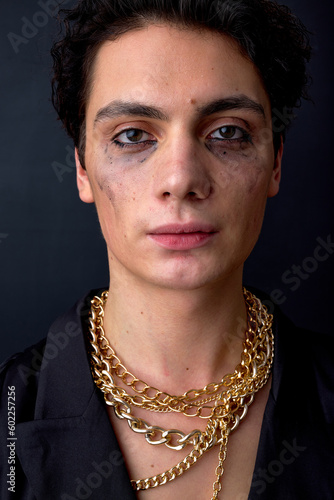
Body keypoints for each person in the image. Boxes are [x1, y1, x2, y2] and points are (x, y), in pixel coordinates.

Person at [1, 1, 333, 499]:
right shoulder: (9, 411)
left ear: (275, 163)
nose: (181, 180)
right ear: (82, 169)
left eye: (227, 132)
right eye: (133, 135)